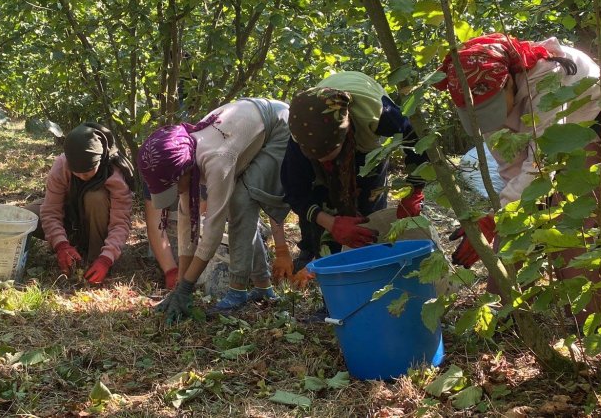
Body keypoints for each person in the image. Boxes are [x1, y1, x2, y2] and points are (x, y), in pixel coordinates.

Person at [434, 33, 601, 317]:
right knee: (514, 212)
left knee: (573, 218)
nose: (491, 119)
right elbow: (513, 172)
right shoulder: (476, 95)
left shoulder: (549, 79)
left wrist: (497, 218)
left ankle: (591, 321)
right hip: (542, 138)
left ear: (510, 81)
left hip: (589, 114)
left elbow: (542, 165)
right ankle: (504, 312)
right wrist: (502, 217)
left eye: (493, 108)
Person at [139, 98, 291, 322]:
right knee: (240, 203)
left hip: (279, 126)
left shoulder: (216, 159)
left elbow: (213, 230)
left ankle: (238, 291)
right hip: (246, 131)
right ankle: (263, 287)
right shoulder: (184, 157)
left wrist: (186, 288)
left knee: (240, 202)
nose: (174, 193)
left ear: (183, 172)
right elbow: (186, 221)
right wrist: (180, 284)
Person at [282, 72, 429, 286]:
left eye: (330, 154)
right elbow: (295, 192)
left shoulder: (380, 115)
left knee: (369, 218)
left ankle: (371, 275)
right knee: (323, 213)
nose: (326, 162)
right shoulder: (301, 135)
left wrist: (415, 191)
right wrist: (332, 223)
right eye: (318, 158)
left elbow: (417, 140)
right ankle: (324, 267)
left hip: (364, 149)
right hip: (321, 151)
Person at [28, 123, 134, 284]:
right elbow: (51, 211)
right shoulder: (62, 164)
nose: (82, 176)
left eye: (87, 171)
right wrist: (61, 245)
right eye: (76, 171)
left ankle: (94, 257)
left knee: (95, 197)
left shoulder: (115, 173)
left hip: (98, 221)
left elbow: (120, 223)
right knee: (30, 215)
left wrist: (107, 258)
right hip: (72, 218)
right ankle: (72, 246)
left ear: (100, 160)